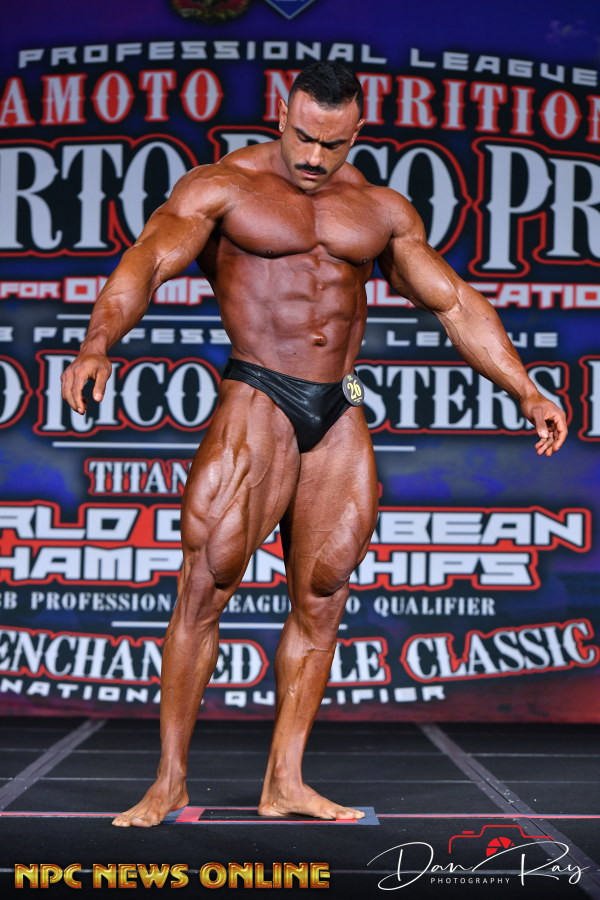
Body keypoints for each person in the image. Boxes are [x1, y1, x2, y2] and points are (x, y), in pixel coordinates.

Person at [60, 62, 567, 826]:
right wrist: (98, 343)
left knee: (324, 594)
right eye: (302, 137)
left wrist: (525, 388)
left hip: (338, 404)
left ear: (357, 131)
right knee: (207, 583)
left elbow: (454, 302)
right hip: (258, 391)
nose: (312, 156)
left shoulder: (379, 209)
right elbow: (151, 259)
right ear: (282, 115)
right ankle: (168, 782)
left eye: (331, 144)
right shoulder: (223, 187)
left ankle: (285, 782)